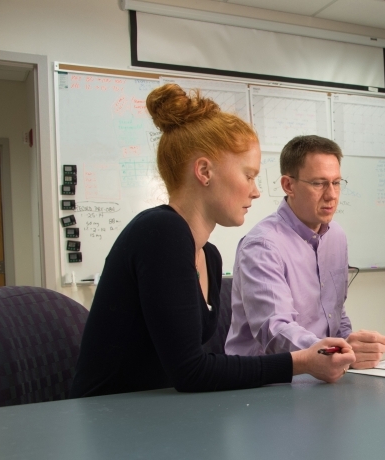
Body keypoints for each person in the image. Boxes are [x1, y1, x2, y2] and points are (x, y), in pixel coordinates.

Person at [70, 86, 354, 398]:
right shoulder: (161, 231)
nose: (256, 191)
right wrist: (300, 362)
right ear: (205, 171)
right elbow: (192, 372)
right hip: (111, 419)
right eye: (248, 176)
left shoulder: (210, 256)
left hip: (164, 416)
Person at [224, 135, 385, 368]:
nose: (331, 195)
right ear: (288, 185)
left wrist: (351, 349)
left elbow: (334, 312)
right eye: (318, 183)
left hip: (322, 375)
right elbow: (275, 330)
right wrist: (333, 351)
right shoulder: (262, 245)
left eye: (336, 182)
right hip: (267, 383)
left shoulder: (336, 236)